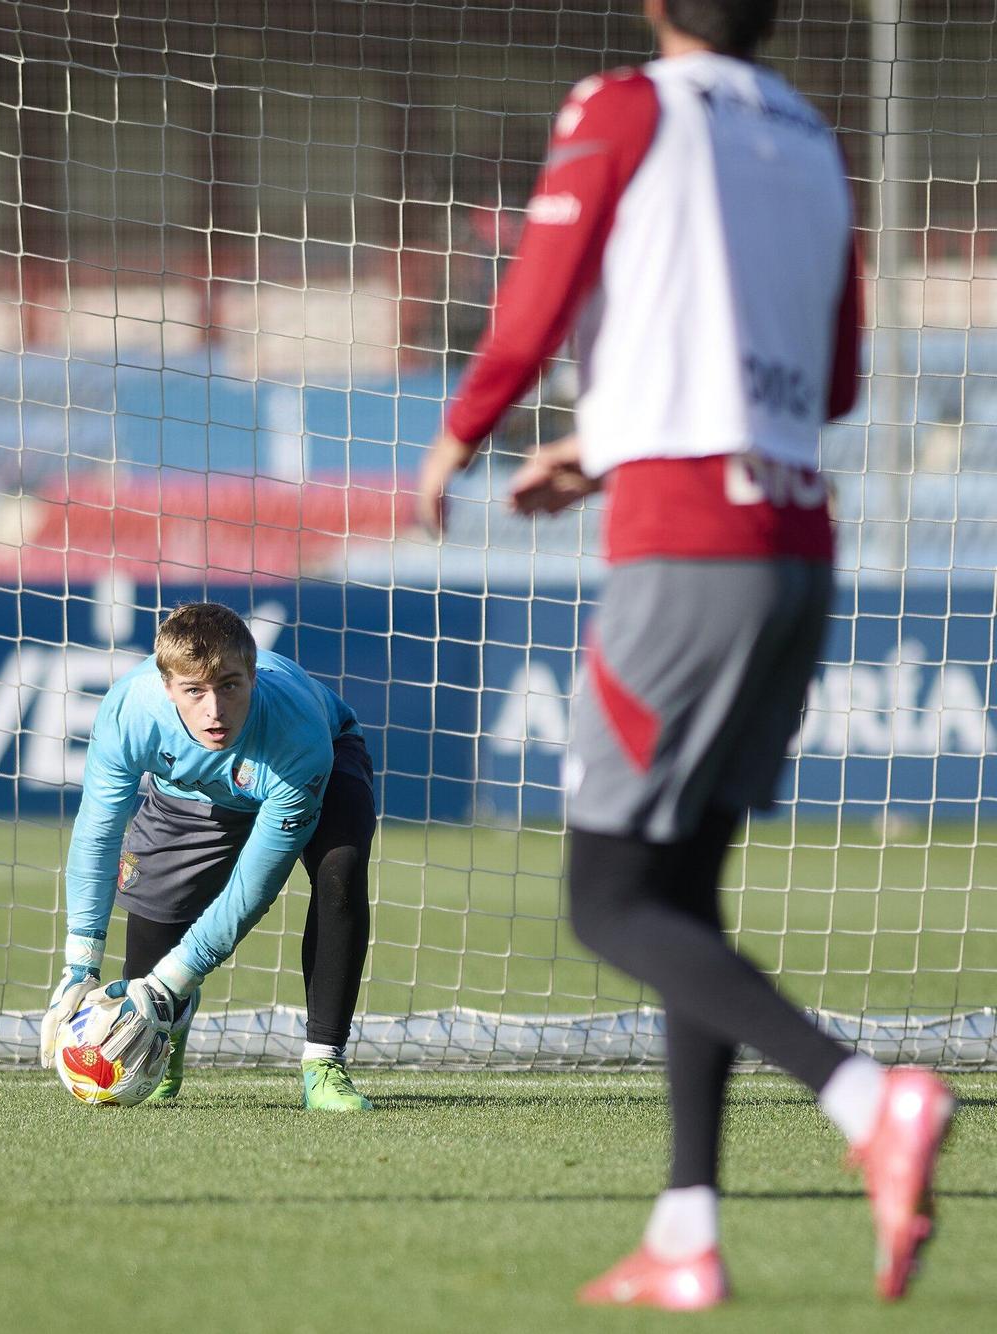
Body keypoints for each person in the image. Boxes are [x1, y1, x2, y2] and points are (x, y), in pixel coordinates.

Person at [414, 0, 952, 1309]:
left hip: (686, 550)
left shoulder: (622, 107)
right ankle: (687, 1228)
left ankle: (868, 1094)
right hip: (793, 541)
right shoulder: (814, 136)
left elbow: (539, 289)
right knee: (682, 896)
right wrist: (609, 445)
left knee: (608, 899)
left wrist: (465, 429)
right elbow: (829, 382)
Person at [40, 602, 376, 1111]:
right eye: (194, 691)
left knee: (340, 873)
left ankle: (323, 1062)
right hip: (189, 794)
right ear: (167, 685)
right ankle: (164, 1040)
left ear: (254, 675)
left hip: (320, 762)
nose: (213, 710)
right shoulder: (130, 711)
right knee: (147, 947)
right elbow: (97, 832)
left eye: (230, 686)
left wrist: (176, 978)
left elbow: (254, 884)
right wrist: (80, 964)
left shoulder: (297, 732)